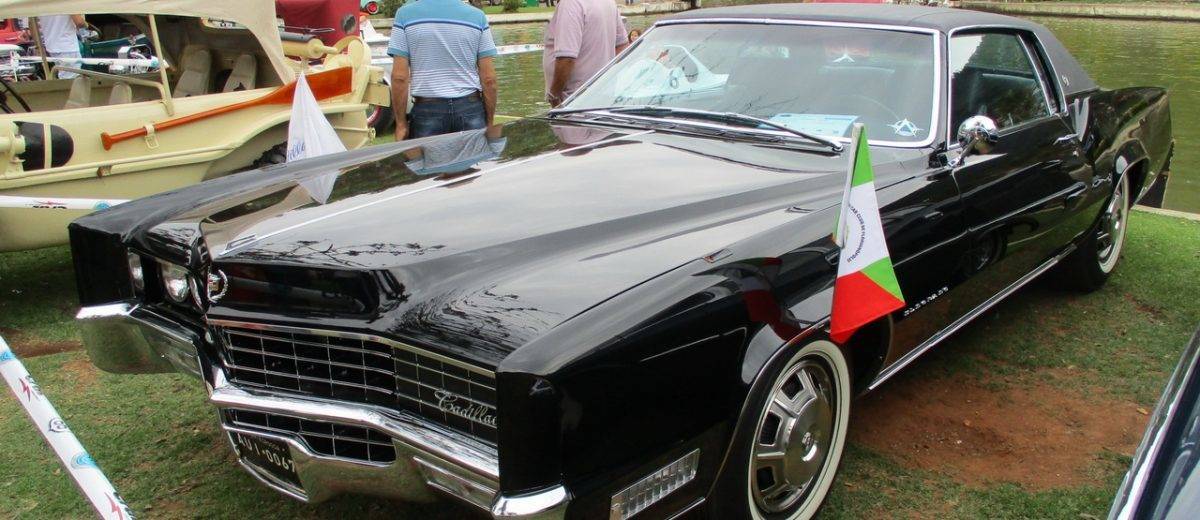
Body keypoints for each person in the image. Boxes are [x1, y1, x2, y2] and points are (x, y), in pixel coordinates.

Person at [388, 0, 499, 140]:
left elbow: (399, 78)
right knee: (471, 154)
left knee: (427, 155)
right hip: (469, 108)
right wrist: (489, 122)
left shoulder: (405, 15)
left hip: (427, 109)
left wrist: (401, 124)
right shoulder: (477, 17)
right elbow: (489, 79)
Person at [543, 0, 629, 108]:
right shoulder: (608, 2)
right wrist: (607, 79)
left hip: (574, 101)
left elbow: (566, 58)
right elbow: (622, 46)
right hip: (604, 95)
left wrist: (554, 96)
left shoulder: (570, 4)